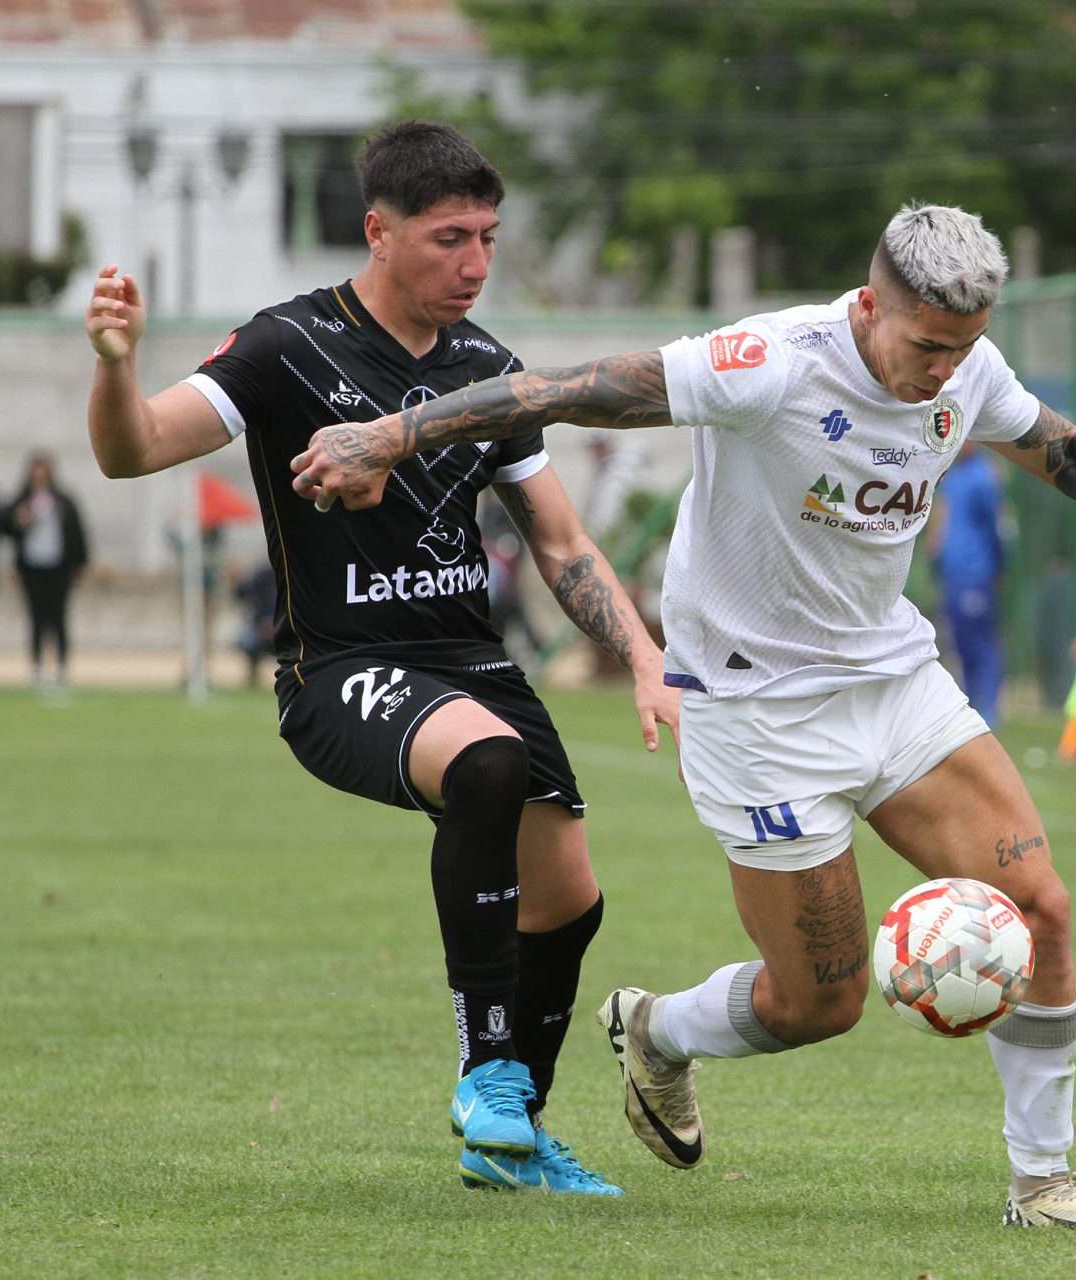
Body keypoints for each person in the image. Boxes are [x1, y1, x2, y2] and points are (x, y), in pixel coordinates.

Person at [290, 202, 1076, 1230]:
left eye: (962, 349)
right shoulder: (767, 360)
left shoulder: (966, 365)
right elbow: (564, 391)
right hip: (755, 711)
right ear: (870, 304)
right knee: (820, 1002)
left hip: (891, 679)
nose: (943, 371)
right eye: (926, 345)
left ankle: (1044, 1184)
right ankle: (656, 1026)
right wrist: (391, 431)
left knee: (1040, 907)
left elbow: (1059, 446)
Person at [83, 120, 675, 1197]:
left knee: (570, 901)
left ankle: (512, 1136)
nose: (476, 264)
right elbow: (133, 451)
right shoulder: (287, 345)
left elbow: (560, 538)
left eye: (489, 237)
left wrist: (642, 652)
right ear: (379, 232)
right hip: (341, 666)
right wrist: (115, 370)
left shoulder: (486, 369)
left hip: (471, 662)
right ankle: (488, 1070)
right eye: (451, 238)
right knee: (487, 765)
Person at [928, 439, 1008, 725]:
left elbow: (998, 527)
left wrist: (998, 567)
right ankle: (972, 704)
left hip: (977, 573)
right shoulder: (953, 475)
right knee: (961, 642)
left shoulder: (984, 477)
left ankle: (988, 708)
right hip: (953, 574)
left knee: (980, 643)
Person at [1, 452, 90, 689]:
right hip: (32, 569)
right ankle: (37, 667)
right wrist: (19, 522)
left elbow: (77, 533)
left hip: (59, 568)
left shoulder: (63, 500)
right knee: (37, 618)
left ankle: (61, 666)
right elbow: (4, 527)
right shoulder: (23, 501)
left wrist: (81, 564)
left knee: (59, 617)